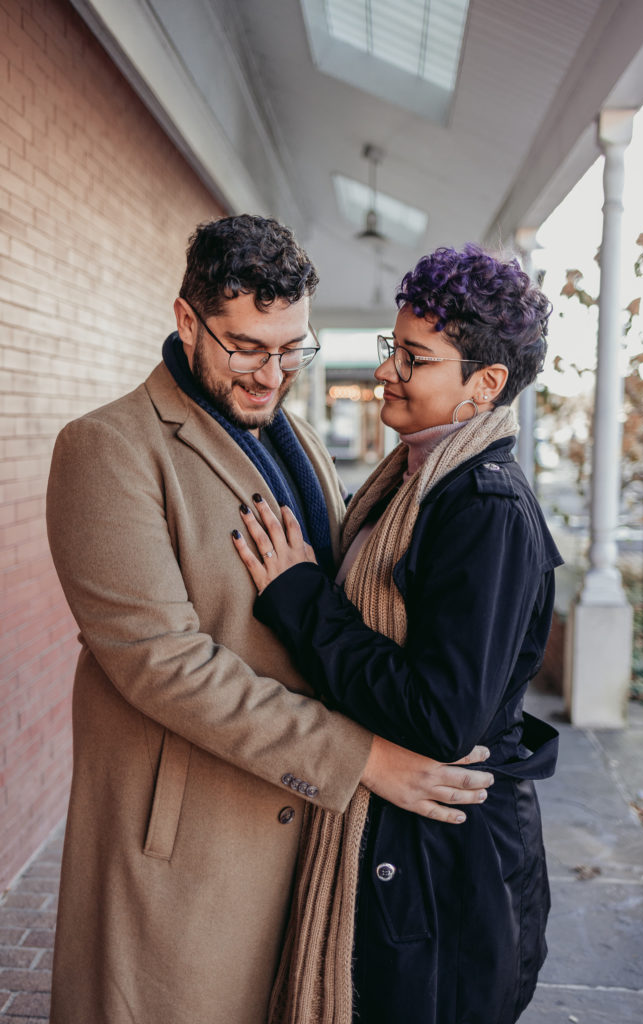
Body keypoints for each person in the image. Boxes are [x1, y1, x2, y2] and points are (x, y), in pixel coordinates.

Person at [45, 216, 493, 1024]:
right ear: (187, 323)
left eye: (292, 350)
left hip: (303, 843)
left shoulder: (300, 440)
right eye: (247, 347)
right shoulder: (104, 450)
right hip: (188, 855)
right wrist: (362, 758)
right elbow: (163, 663)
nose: (271, 375)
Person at [233, 242, 563, 1024]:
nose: (387, 371)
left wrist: (299, 597)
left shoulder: (482, 509)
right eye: (392, 348)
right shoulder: (414, 482)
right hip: (406, 855)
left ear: (483, 385)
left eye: (414, 358)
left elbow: (437, 715)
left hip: (445, 872)